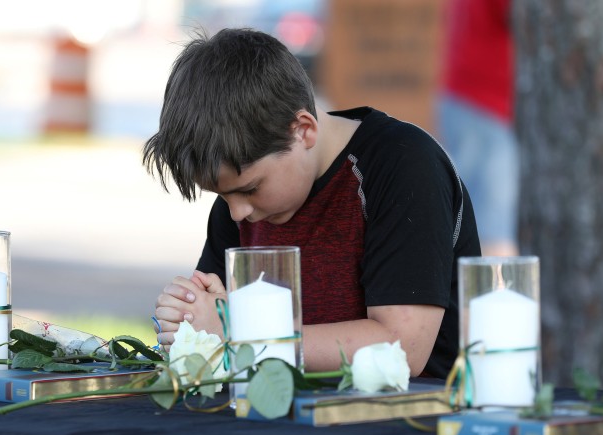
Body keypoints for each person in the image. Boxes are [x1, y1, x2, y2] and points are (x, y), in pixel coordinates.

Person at [143, 28, 481, 379]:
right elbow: (213, 326)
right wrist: (186, 318)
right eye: (222, 196)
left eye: (250, 188)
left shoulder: (404, 165)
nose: (237, 212)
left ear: (303, 130)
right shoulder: (243, 197)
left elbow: (401, 349)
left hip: (409, 419)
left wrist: (238, 336)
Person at [437, 0, 519, 257]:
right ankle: (494, 294)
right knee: (491, 229)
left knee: (471, 221)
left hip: (467, 96)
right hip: (485, 103)